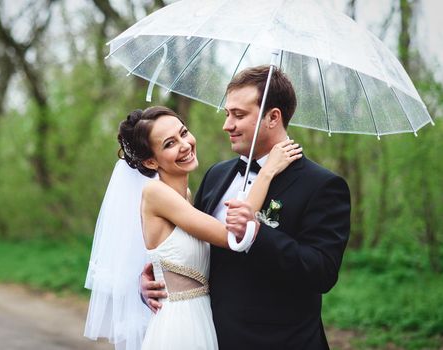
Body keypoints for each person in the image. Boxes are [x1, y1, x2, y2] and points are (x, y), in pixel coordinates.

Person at [141, 66, 351, 349]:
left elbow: (321, 272)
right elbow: (192, 245)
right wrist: (157, 278)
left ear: (272, 117)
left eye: (238, 115)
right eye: (228, 113)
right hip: (209, 337)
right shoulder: (216, 174)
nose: (227, 125)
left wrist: (256, 235)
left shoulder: (322, 186)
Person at [84, 105, 302, 350]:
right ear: (150, 161)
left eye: (184, 132)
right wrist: (267, 171)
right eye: (169, 144)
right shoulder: (155, 194)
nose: (185, 145)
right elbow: (232, 235)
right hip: (178, 326)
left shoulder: (186, 197)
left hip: (203, 318)